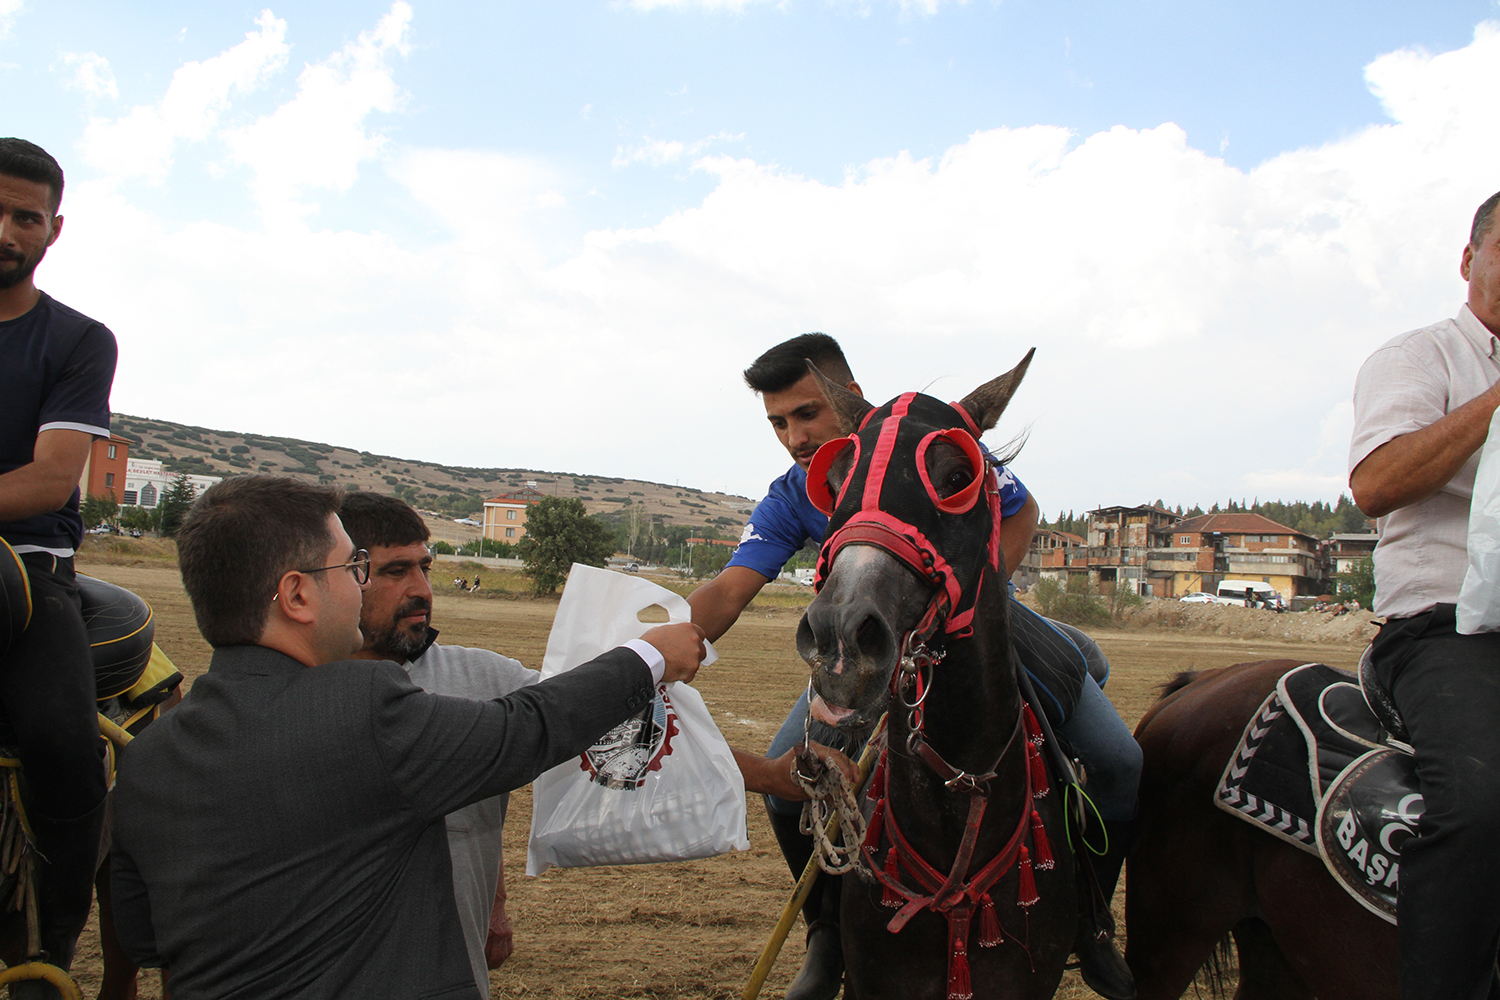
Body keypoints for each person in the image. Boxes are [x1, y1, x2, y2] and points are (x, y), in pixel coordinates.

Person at [109, 475, 707, 1000]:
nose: (362, 585)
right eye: (353, 569)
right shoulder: (360, 706)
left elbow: (143, 936)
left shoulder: (147, 762)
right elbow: (524, 731)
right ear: (296, 595)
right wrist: (645, 656)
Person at [689, 333, 1140, 1000]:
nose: (794, 437)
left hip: (983, 622)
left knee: (1119, 762)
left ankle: (1091, 924)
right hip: (870, 645)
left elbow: (1022, 511)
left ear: (848, 402)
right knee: (791, 789)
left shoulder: (940, 449)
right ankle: (827, 934)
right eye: (778, 423)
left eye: (806, 414)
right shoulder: (794, 492)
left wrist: (975, 594)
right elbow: (730, 587)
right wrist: (667, 641)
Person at [1349, 188, 1500, 1000]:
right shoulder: (1421, 359)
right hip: (1443, 627)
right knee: (1484, 802)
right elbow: (1377, 483)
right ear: (1469, 259)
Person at [0, 137, 116, 994]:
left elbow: (49, 478)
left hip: (28, 569)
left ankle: (49, 945)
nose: (5, 229)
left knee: (65, 744)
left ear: (53, 230)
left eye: (24, 217)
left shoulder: (78, 339)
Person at [339, 491, 532, 997]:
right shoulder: (289, 694)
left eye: (425, 567)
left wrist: (494, 903)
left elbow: (608, 727)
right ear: (339, 576)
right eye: (395, 571)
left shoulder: (487, 678)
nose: (422, 589)